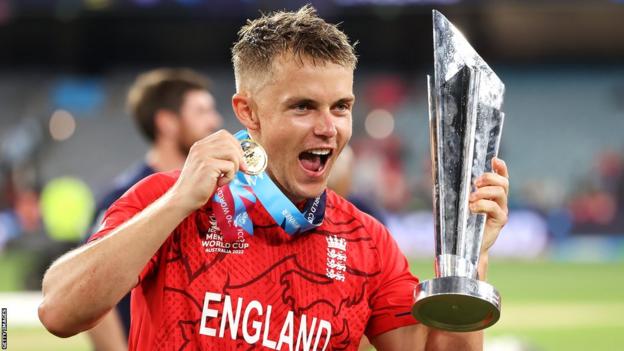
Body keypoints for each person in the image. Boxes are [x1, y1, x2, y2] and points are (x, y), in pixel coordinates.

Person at [39, 6, 510, 350]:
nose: (328, 127)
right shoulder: (170, 198)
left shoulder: (367, 242)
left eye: (341, 107)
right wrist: (178, 202)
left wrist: (470, 256)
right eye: (303, 106)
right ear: (249, 111)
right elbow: (59, 312)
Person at [84, 68, 223, 350]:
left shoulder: (217, 193)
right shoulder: (123, 197)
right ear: (167, 123)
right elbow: (91, 289)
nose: (215, 121)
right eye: (202, 111)